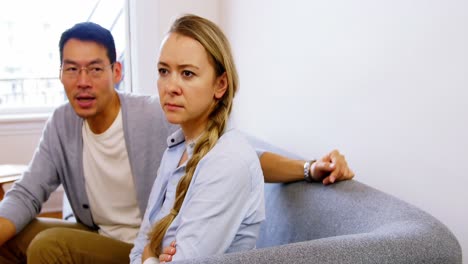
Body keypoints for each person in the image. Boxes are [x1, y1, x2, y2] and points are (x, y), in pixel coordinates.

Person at [0, 21, 353, 264]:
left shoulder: (162, 117)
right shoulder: (68, 124)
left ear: (116, 72)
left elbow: (241, 159)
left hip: (133, 244)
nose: (82, 82)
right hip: (119, 239)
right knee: (15, 236)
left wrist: (307, 168)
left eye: (94, 68)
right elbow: (28, 193)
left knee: (50, 245)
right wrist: (150, 255)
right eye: (71, 69)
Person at [130, 14, 265, 263]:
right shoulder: (176, 147)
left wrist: (150, 255)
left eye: (188, 74)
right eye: (163, 71)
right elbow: (140, 246)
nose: (170, 86)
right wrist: (149, 254)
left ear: (220, 84)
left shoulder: (228, 161)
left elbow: (149, 251)